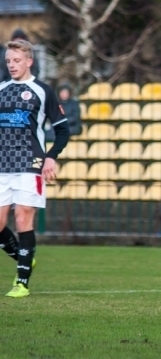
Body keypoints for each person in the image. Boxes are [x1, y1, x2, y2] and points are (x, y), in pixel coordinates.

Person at [0, 39, 69, 298]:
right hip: (2, 165)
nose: (12, 65)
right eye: (8, 61)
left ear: (29, 61)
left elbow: (62, 130)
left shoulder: (42, 91)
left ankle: (21, 282)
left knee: (22, 219)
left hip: (30, 164)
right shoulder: (1, 89)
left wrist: (51, 156)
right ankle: (23, 257)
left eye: (17, 60)